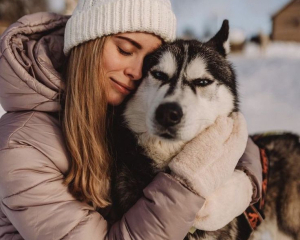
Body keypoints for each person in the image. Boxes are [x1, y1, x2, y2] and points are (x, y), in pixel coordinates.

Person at [0, 0, 262, 239]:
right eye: (125, 50)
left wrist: (244, 183)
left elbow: (218, 127)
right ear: (88, 43)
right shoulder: (21, 149)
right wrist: (186, 186)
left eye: (150, 63)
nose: (138, 73)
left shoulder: (116, 96)